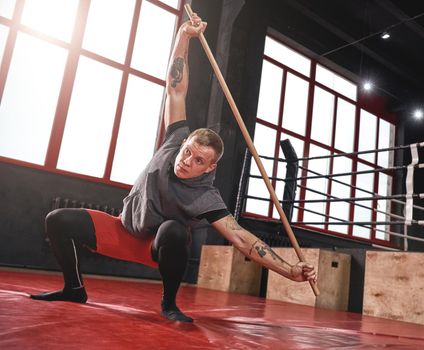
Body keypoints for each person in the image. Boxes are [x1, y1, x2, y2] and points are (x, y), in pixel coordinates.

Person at [30, 13, 316, 323]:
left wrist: (290, 271)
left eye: (198, 161)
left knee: (176, 231)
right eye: (187, 152)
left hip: (157, 246)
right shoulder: (176, 138)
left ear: (209, 168)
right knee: (58, 219)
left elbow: (242, 239)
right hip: (122, 229)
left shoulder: (206, 198)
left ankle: (169, 303)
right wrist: (184, 36)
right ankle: (74, 288)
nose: (186, 161)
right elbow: (175, 88)